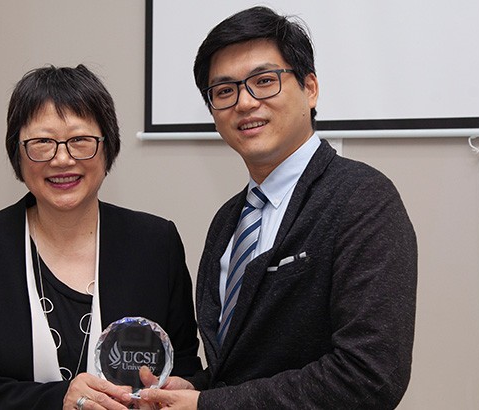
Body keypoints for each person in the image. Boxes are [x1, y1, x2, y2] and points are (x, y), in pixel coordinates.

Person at [139, 6, 417, 409]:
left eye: (264, 81)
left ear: (310, 88)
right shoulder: (228, 220)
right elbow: (242, 367)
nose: (245, 102)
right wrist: (197, 390)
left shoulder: (362, 197)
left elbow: (370, 376)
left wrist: (208, 406)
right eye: (224, 91)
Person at [0, 65, 202, 410]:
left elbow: (183, 362)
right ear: (17, 153)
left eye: (80, 141)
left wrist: (179, 389)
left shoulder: (156, 243)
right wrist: (57, 401)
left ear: (107, 147)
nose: (62, 158)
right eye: (42, 143)